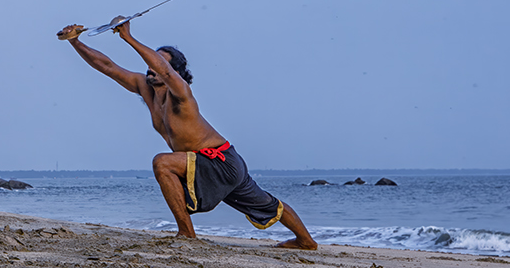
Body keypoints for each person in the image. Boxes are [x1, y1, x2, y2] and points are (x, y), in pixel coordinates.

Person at [57, 19, 316, 248]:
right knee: (269, 203)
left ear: (176, 73)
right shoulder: (145, 89)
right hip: (213, 161)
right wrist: (75, 42)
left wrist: (128, 37)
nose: (150, 69)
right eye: (149, 64)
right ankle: (306, 241)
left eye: (156, 64)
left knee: (162, 162)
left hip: (220, 161)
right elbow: (107, 66)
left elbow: (166, 70)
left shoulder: (180, 93)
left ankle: (186, 234)